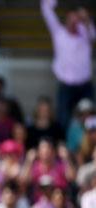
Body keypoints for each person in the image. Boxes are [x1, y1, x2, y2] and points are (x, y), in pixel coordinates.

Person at [41, 0, 95, 129]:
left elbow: (93, 36)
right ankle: (65, 145)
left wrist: (86, 19)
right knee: (63, 118)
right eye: (70, 18)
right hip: (66, 85)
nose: (73, 22)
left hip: (85, 85)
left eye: (76, 19)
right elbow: (46, 9)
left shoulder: (85, 33)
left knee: (91, 118)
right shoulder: (59, 33)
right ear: (66, 20)